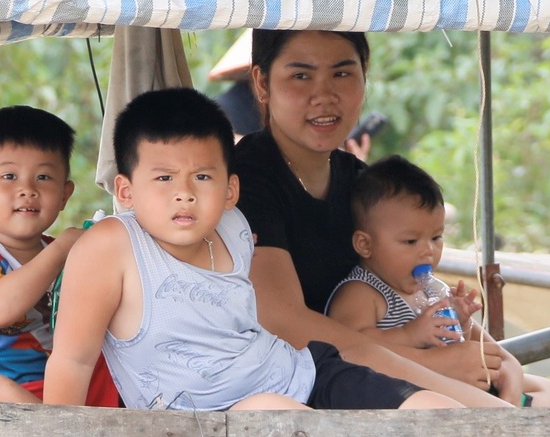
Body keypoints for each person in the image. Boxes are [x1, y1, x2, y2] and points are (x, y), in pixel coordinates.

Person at [40, 88, 461, 411]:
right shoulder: (110, 247)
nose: (184, 194)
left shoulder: (235, 227)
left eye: (202, 177)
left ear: (230, 190)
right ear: (126, 190)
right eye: (164, 179)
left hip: (303, 372)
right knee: (275, 414)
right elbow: (73, 361)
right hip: (203, 431)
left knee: (436, 411)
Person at [229, 28, 513, 408]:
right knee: (481, 414)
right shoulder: (246, 180)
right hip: (301, 377)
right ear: (262, 83)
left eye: (342, 74)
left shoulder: (360, 180)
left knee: (542, 396)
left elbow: (411, 284)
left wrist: (503, 362)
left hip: (377, 362)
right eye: (301, 75)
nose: (324, 95)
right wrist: (432, 363)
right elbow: (284, 321)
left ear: (365, 75)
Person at [326, 156, 550, 407]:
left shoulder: (435, 291)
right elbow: (350, 348)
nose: (428, 251)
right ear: (365, 244)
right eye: (410, 241)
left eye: (436, 237)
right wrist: (410, 334)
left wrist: (462, 323)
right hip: (418, 393)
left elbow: (485, 350)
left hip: (466, 385)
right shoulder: (360, 292)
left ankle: (509, 412)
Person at [0, 105, 120, 406]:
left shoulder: (63, 252)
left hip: (62, 387)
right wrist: (64, 248)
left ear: (65, 194)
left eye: (43, 177)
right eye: (9, 176)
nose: (27, 189)